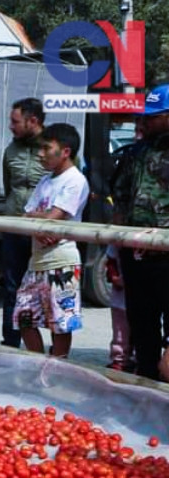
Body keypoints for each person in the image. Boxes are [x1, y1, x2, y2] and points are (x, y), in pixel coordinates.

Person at [13, 123, 89, 358]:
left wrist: (39, 220)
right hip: (36, 260)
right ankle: (38, 365)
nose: (41, 154)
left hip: (62, 261)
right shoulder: (45, 181)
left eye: (47, 148)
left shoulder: (75, 180)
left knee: (61, 322)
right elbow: (28, 215)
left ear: (65, 151)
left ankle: (59, 367)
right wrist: (39, 222)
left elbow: (54, 218)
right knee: (24, 316)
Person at [111, 84, 169, 381]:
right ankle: (146, 393)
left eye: (153, 117)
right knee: (142, 328)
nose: (144, 122)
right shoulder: (134, 155)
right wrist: (117, 252)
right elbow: (120, 203)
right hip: (137, 258)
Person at [1, 98, 47, 348]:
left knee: (43, 292)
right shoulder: (11, 149)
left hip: (43, 233)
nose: (11, 126)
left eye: (15, 121)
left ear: (34, 121)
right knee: (11, 288)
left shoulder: (53, 147)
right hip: (13, 226)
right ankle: (10, 343)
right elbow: (9, 186)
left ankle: (46, 350)